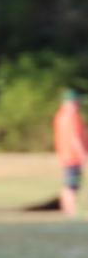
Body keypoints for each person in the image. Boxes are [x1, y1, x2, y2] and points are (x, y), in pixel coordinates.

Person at [55, 89, 87, 219]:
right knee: (72, 185)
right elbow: (75, 138)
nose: (77, 104)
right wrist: (83, 154)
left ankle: (67, 210)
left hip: (65, 155)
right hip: (72, 156)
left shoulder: (60, 116)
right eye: (75, 102)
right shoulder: (71, 117)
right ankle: (71, 211)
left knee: (68, 184)